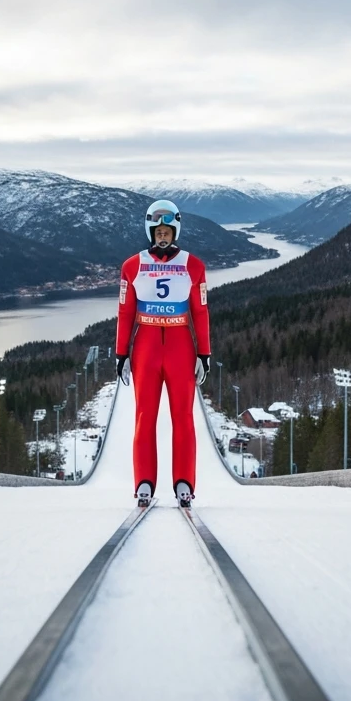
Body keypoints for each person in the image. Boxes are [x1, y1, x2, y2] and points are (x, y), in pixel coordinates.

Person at [115, 199, 210, 507]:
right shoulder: (132, 266)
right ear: (150, 231)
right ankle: (144, 481)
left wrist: (203, 354)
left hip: (181, 346)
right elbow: (125, 311)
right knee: (145, 416)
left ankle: (184, 482)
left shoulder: (194, 266)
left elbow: (201, 311)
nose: (163, 237)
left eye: (168, 232)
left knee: (183, 417)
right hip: (146, 347)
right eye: (158, 232)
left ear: (176, 231)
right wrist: (121, 354)